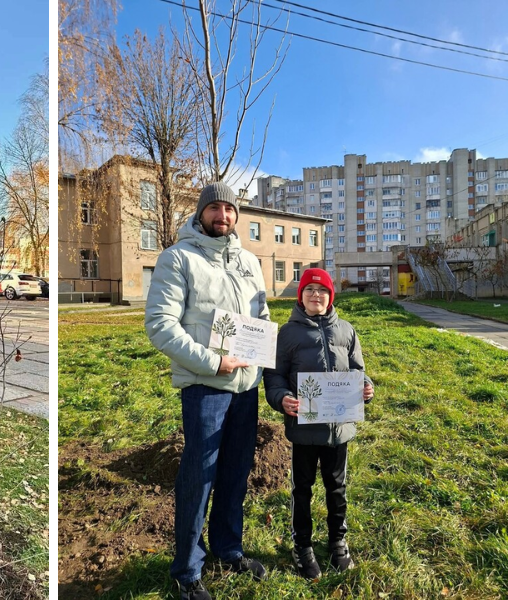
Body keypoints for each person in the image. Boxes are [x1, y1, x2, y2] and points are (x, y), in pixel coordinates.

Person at [144, 181, 269, 600]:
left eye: (230, 209)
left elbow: (261, 317)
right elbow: (160, 325)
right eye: (214, 208)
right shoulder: (177, 258)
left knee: (236, 472)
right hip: (205, 386)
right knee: (199, 479)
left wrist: (263, 364)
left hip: (246, 385)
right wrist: (214, 361)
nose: (223, 216)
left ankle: (228, 548)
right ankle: (187, 570)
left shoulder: (250, 261)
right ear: (201, 213)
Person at [263, 268, 374, 579]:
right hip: (305, 428)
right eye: (309, 289)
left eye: (322, 290)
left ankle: (338, 541)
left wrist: (366, 386)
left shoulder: (347, 331)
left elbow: (358, 369)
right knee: (303, 490)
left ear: (330, 296)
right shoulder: (287, 334)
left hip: (340, 429)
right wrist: (282, 398)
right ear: (301, 295)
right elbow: (274, 376)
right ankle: (302, 546)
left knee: (337, 487)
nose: (316, 295)